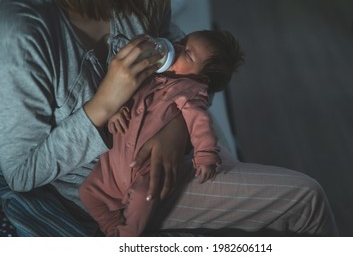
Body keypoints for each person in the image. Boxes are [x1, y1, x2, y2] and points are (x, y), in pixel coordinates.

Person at [0, 0, 338, 237]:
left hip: (172, 127)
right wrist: (102, 106)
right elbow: (20, 174)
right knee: (307, 197)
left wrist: (177, 131)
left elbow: (198, 74)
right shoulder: (23, 32)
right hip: (117, 181)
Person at [79, 29, 243, 236]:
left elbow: (200, 122)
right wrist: (116, 112)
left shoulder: (189, 91)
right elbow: (123, 94)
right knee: (87, 193)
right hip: (112, 166)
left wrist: (206, 154)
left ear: (200, 78)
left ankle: (127, 236)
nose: (178, 48)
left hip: (145, 169)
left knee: (144, 197)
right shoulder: (151, 73)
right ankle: (111, 228)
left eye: (188, 54)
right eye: (182, 42)